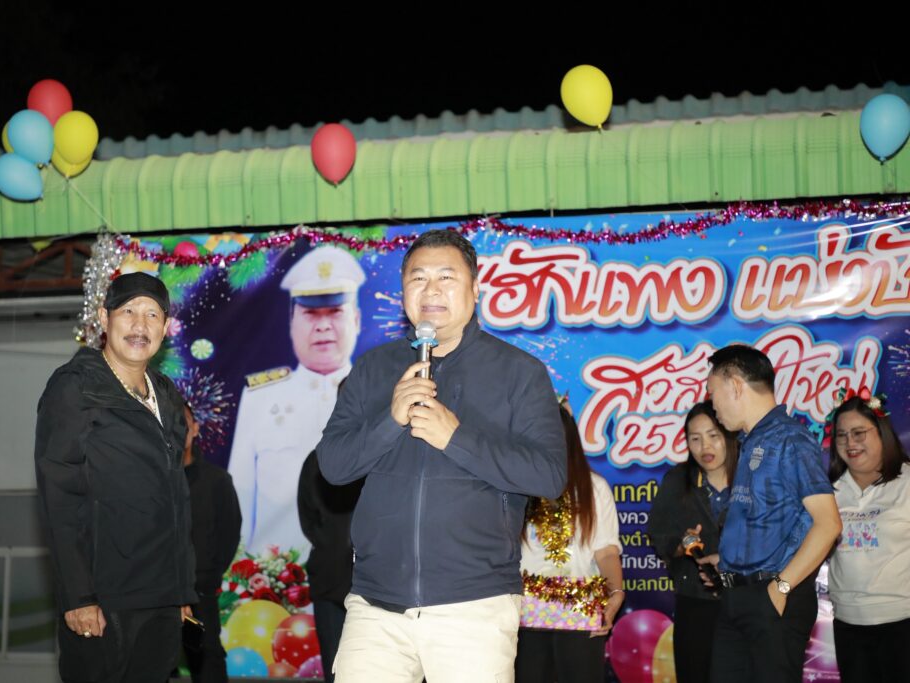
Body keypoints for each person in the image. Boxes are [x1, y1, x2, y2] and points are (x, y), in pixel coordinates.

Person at [316, 229, 568, 683]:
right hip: (376, 606)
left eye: (446, 278)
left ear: (475, 289)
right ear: (403, 293)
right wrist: (390, 419)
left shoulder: (520, 373)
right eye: (418, 278)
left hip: (475, 605)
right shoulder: (372, 369)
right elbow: (333, 466)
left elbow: (549, 475)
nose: (431, 290)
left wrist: (456, 437)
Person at [35, 272, 196, 683]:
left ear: (165, 327)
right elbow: (60, 498)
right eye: (128, 312)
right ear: (105, 319)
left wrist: (181, 589)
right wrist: (79, 596)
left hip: (161, 595)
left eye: (152, 315)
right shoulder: (75, 388)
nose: (140, 325)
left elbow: (177, 497)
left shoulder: (167, 396)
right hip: (104, 597)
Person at [700, 344, 841, 683]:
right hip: (737, 596)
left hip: (772, 599)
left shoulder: (790, 440)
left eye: (712, 392)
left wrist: (781, 588)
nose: (712, 403)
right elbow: (768, 518)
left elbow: (828, 524)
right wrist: (729, 559)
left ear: (736, 385)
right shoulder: (750, 440)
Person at [229, 245, 365, 562]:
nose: (323, 326)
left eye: (335, 312)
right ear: (291, 322)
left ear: (357, 320)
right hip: (275, 579)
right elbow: (240, 495)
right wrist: (239, 575)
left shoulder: (377, 393)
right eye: (310, 314)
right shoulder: (260, 398)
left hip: (360, 573)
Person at [515, 397, 623, 683]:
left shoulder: (594, 488)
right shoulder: (517, 487)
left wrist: (616, 593)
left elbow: (606, 552)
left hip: (580, 616)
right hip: (524, 618)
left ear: (569, 440)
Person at [647, 401, 738, 683]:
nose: (704, 447)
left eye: (713, 436)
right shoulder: (678, 480)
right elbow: (658, 536)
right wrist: (683, 544)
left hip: (746, 600)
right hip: (696, 601)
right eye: (695, 439)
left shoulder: (751, 478)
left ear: (729, 435)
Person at [825, 390, 910, 683]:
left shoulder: (906, 482)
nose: (850, 442)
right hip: (849, 624)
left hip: (902, 622)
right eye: (842, 435)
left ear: (881, 432)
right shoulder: (828, 491)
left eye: (859, 433)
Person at [181, 404, 242, 683]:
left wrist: (208, 573)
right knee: (152, 663)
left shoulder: (216, 480)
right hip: (156, 594)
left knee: (206, 661)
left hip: (200, 593)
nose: (179, 427)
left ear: (195, 428)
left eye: (184, 421)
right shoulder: (152, 481)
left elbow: (229, 533)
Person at [297, 439, 363, 683]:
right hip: (329, 580)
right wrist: (330, 544)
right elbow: (308, 519)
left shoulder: (386, 453)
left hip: (376, 587)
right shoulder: (317, 459)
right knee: (335, 672)